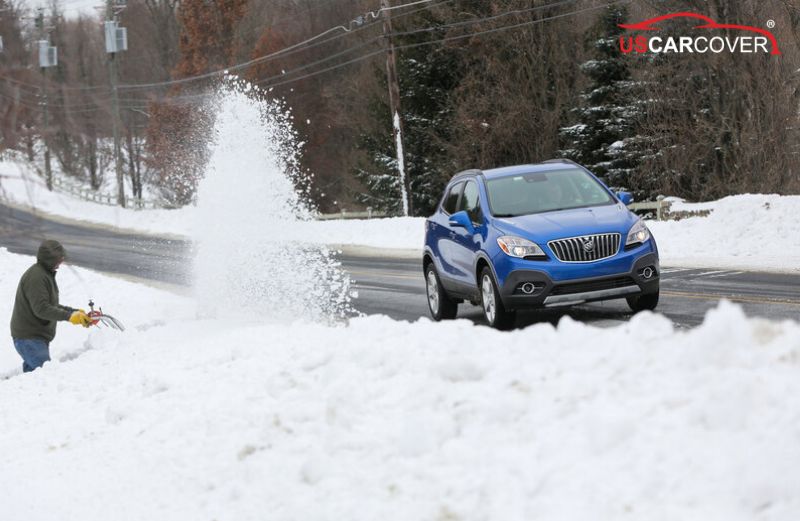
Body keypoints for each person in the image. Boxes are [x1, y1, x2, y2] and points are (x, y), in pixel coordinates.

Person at [9, 240, 92, 373]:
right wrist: (70, 316)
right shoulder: (36, 277)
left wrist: (74, 312)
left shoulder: (44, 274)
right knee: (45, 374)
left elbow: (50, 305)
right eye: (59, 258)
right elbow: (41, 309)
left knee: (33, 379)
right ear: (49, 260)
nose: (62, 260)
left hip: (35, 338)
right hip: (29, 338)